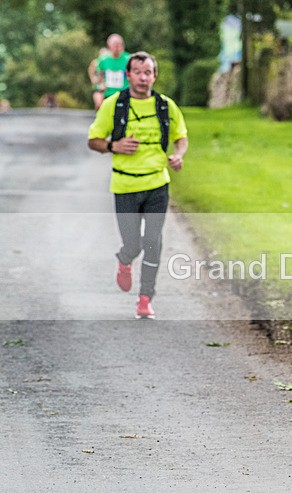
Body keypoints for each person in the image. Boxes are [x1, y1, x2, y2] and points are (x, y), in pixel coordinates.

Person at [88, 51, 188, 319]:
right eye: (138, 72)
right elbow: (93, 140)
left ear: (155, 76)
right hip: (125, 186)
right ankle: (124, 259)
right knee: (133, 245)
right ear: (128, 75)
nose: (143, 78)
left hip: (157, 184)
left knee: (153, 241)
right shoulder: (113, 105)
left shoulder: (165, 106)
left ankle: (145, 298)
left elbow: (181, 137)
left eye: (148, 73)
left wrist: (179, 155)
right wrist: (113, 145)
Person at [97, 34, 130, 99]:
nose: (116, 47)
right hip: (108, 93)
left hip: (124, 93)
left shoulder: (128, 59)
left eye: (118, 45)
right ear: (109, 45)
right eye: (114, 45)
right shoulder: (103, 59)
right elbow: (99, 73)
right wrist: (101, 84)